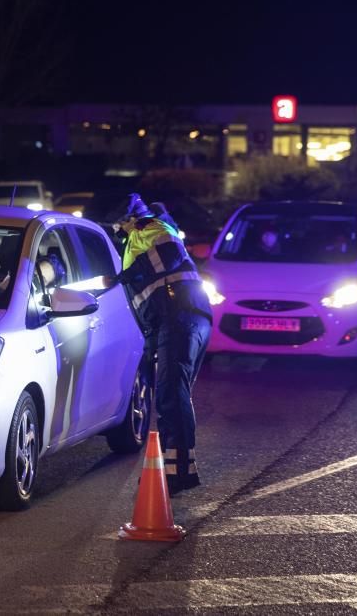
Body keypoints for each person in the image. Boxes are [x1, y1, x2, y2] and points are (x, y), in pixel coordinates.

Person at [104, 193, 211, 494]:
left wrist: (127, 274)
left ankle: (177, 472)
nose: (116, 232)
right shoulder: (137, 234)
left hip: (180, 313)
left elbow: (168, 253)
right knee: (171, 392)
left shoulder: (148, 226)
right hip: (177, 316)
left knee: (170, 393)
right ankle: (178, 467)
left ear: (125, 220)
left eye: (116, 226)